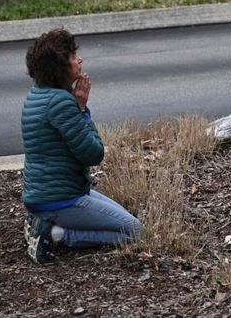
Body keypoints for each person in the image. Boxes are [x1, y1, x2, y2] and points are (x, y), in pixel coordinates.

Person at [21, 28, 141, 263]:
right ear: (59, 67)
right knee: (135, 231)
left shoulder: (38, 94)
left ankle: (40, 221)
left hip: (47, 194)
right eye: (73, 56)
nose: (80, 59)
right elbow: (93, 154)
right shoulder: (62, 102)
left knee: (130, 219)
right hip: (59, 199)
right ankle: (55, 235)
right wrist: (82, 110)